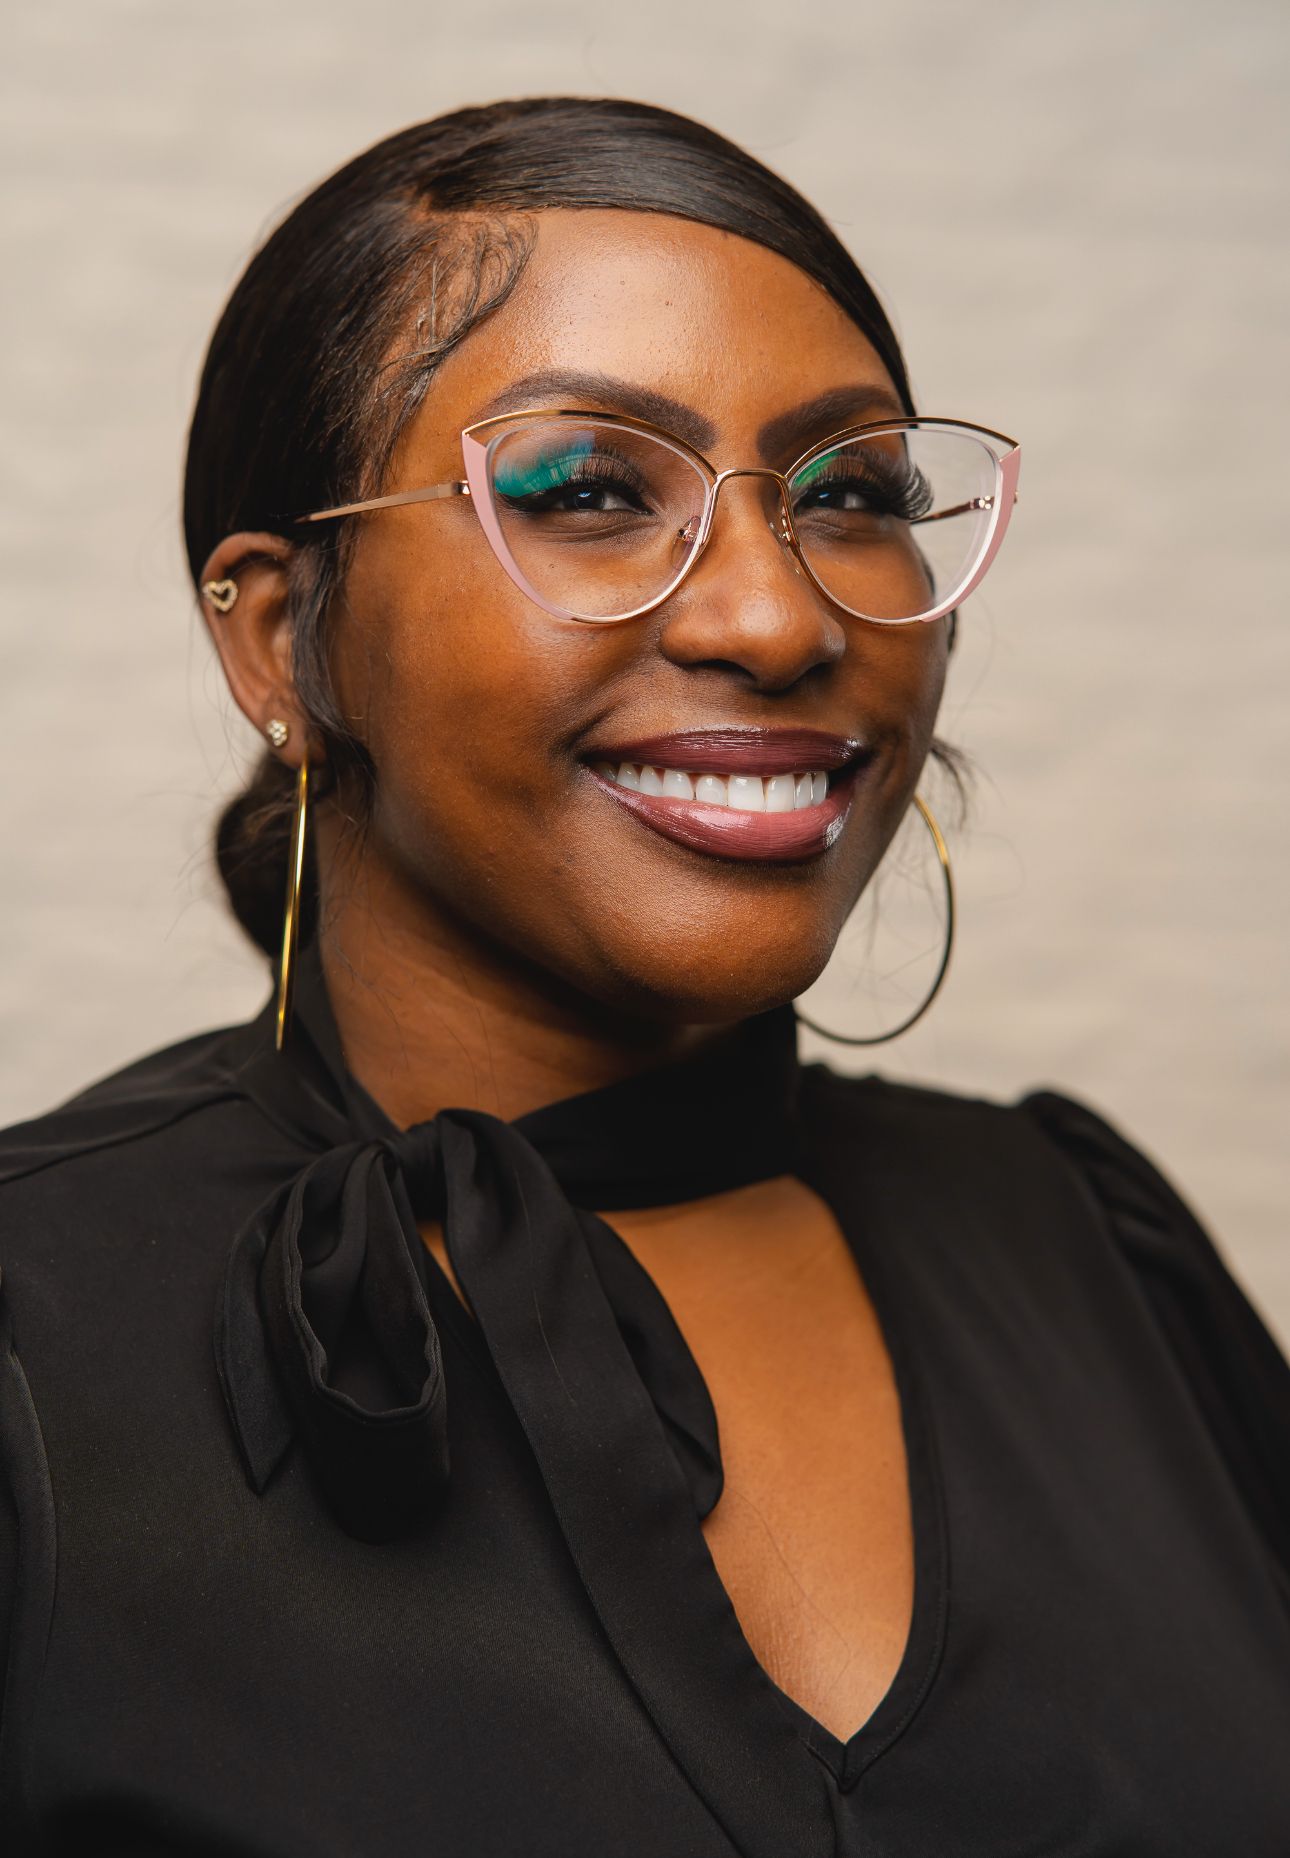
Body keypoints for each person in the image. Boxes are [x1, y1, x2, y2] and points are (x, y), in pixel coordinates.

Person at [1, 97, 1286, 1858]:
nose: (777, 619)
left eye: (850, 493)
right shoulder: (34, 1328)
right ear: (281, 632)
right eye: (591, 491)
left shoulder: (1084, 1246)